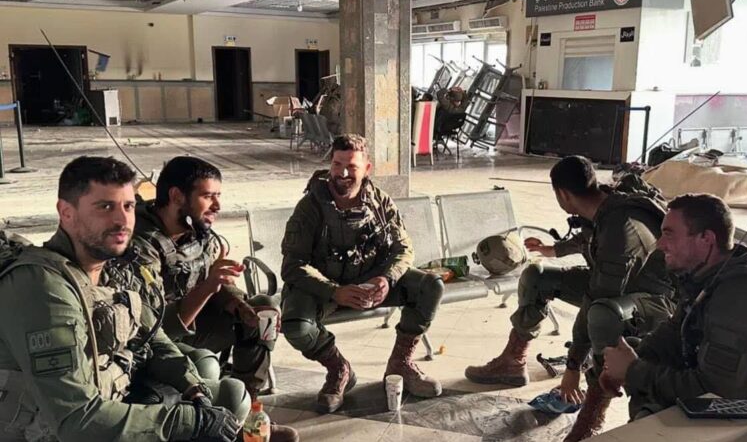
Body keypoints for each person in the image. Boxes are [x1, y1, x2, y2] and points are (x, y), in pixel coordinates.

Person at [0, 156, 245, 441]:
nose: (122, 221)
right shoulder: (42, 288)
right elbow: (76, 419)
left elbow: (152, 337)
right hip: (54, 432)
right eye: (105, 207)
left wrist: (194, 388)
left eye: (128, 206)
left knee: (228, 395)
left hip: (109, 402)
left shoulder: (110, 267)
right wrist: (189, 421)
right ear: (66, 213)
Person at [465, 155, 676, 441]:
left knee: (602, 316)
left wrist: (573, 367)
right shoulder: (605, 203)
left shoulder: (621, 226)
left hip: (654, 301)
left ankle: (592, 415)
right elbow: (590, 237)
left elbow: (598, 297)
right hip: (619, 286)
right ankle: (513, 362)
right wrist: (554, 250)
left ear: (563, 194)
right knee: (537, 276)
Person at [131, 157, 298, 441]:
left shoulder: (198, 230)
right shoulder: (140, 245)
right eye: (208, 196)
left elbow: (214, 279)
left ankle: (248, 415)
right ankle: (220, 421)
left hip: (195, 324)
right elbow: (156, 330)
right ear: (176, 196)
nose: (217, 206)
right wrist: (209, 286)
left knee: (262, 311)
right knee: (205, 364)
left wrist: (239, 305)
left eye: (218, 196)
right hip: (158, 340)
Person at [280, 134, 445, 413]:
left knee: (430, 285)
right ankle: (339, 369)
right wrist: (334, 291)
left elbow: (404, 249)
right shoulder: (310, 206)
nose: (342, 173)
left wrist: (387, 279)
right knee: (296, 326)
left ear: (367, 168)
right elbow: (293, 265)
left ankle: (400, 364)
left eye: (351, 166)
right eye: (337, 164)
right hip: (323, 287)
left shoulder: (379, 202)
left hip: (371, 283)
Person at [603, 194, 747, 420]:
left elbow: (713, 395)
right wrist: (629, 360)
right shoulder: (710, 276)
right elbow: (676, 330)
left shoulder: (739, 301)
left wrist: (633, 370)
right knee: (639, 349)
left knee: (650, 415)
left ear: (706, 239)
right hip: (727, 387)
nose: (660, 244)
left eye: (669, 234)